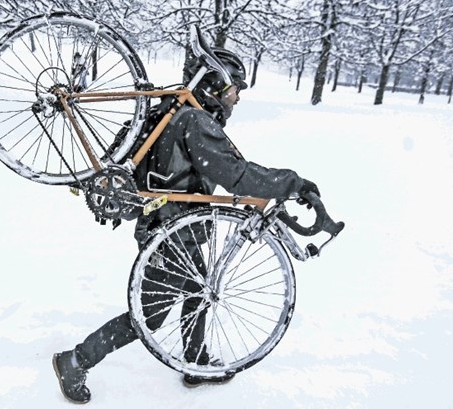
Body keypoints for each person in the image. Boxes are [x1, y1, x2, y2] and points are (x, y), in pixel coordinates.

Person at [53, 47, 320, 404]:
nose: (236, 98)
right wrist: (293, 182)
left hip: (179, 227)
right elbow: (235, 175)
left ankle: (196, 362)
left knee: (198, 290)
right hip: (169, 232)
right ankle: (76, 360)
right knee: (150, 315)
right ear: (212, 85)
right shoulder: (194, 122)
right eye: (233, 89)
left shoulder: (169, 110)